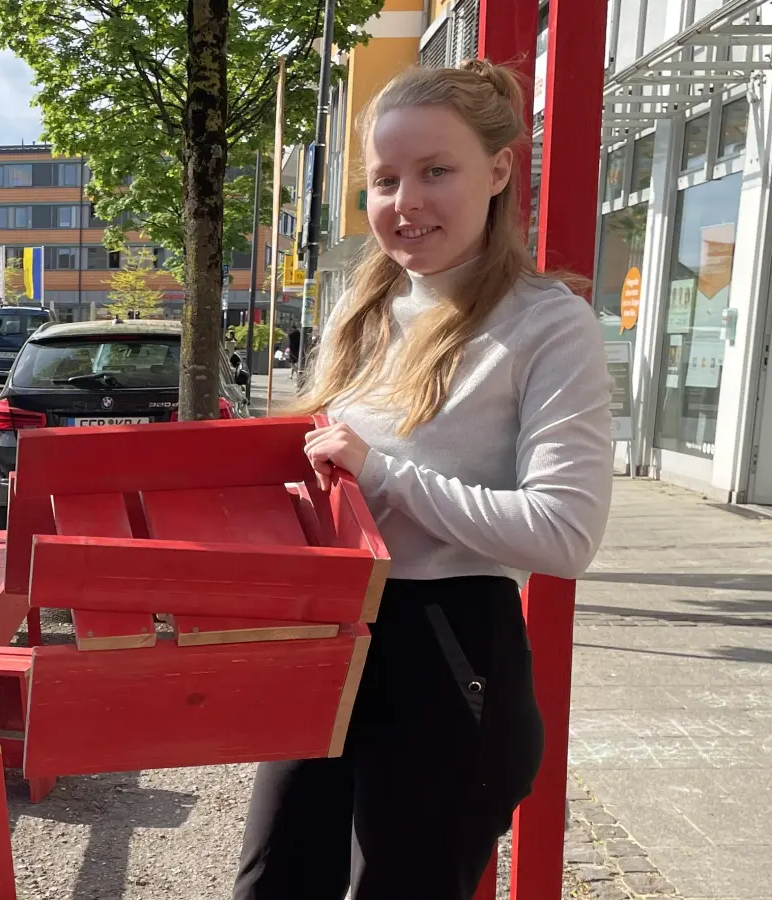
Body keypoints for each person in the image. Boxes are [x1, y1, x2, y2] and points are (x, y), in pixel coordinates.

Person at [233, 60, 613, 900]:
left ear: (500, 169)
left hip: (447, 647)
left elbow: (566, 534)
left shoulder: (550, 324)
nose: (406, 201)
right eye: (385, 179)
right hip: (328, 630)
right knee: (270, 885)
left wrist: (383, 474)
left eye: (436, 171)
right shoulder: (360, 307)